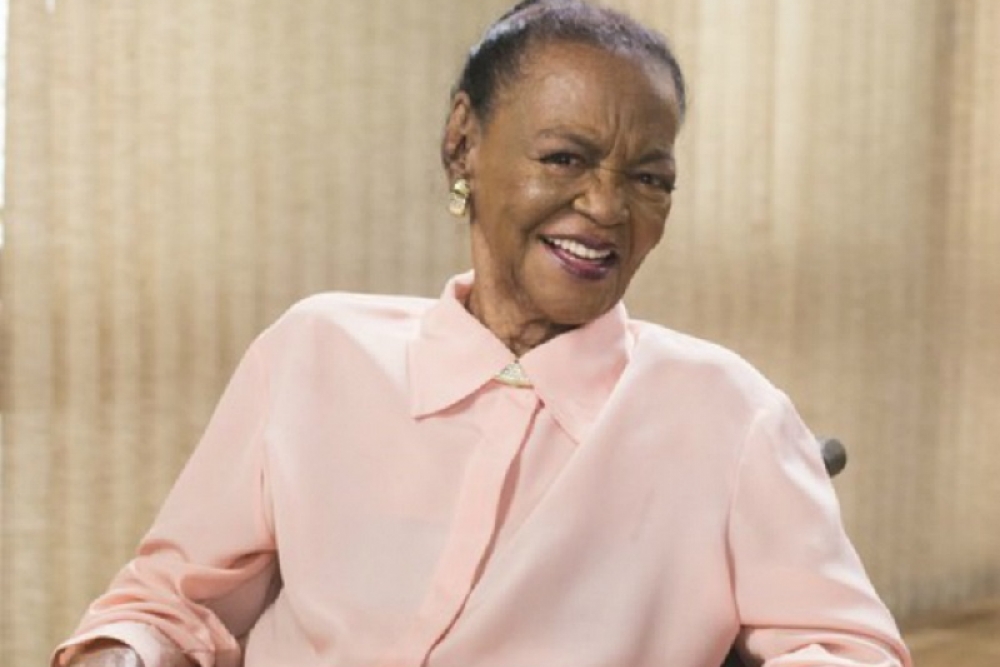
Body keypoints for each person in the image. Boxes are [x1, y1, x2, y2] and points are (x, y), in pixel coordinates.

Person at [55, 1, 912, 666]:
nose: (607, 206)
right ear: (462, 143)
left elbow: (846, 646)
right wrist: (124, 651)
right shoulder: (313, 350)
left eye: (650, 178)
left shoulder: (730, 413)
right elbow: (172, 603)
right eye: (565, 158)